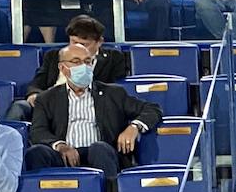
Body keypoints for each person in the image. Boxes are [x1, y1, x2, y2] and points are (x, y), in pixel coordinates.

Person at [24, 41, 161, 178]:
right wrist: (61, 146)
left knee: (99, 148)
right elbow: (38, 131)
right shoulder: (47, 98)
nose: (83, 66)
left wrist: (134, 127)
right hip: (63, 155)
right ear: (63, 68)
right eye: (76, 62)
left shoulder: (113, 93)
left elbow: (153, 109)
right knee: (36, 152)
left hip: (100, 153)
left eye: (87, 61)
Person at [9, 14, 131, 123]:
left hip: (87, 104)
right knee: (19, 106)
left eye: (84, 44)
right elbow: (37, 82)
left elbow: (115, 90)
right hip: (50, 103)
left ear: (99, 42)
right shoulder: (53, 56)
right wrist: (34, 94)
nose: (77, 48)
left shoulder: (114, 58)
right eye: (73, 42)